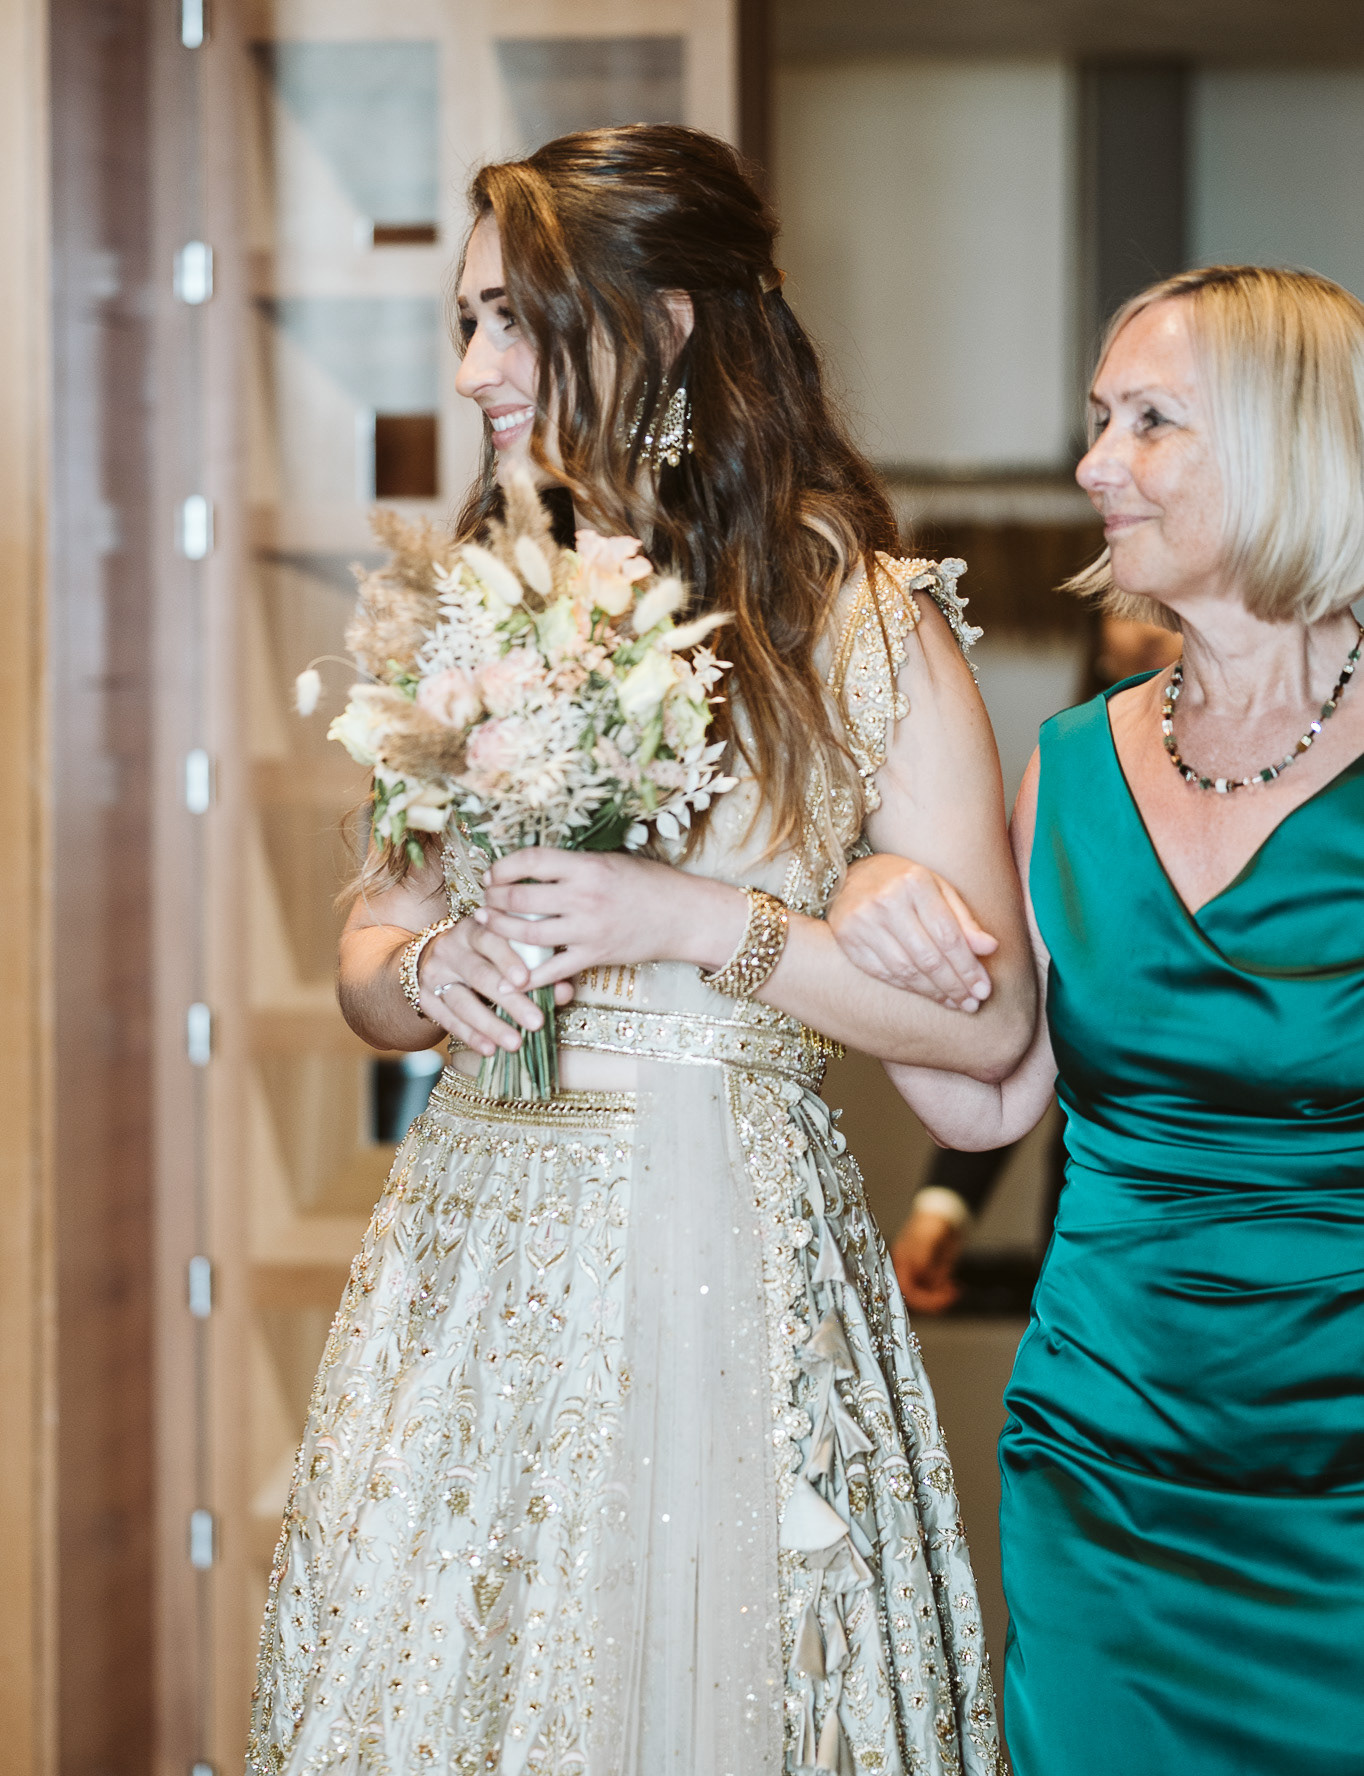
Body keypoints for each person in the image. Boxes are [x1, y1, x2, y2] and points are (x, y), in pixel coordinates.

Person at [245, 125, 1035, 1775]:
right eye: (466, 322)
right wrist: (424, 973)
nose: (473, 369)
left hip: (719, 1248)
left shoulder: (858, 627)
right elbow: (370, 942)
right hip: (477, 1259)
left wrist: (707, 925)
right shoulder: (476, 604)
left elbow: (989, 1040)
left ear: (664, 325)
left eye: (513, 322)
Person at [829, 263, 1364, 1774]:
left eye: (1148, 422)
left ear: (1289, 443)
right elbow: (993, 1096)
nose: (1090, 464)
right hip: (1105, 1465)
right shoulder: (1068, 760)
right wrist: (872, 908)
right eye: (1095, 418)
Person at [892, 613, 1180, 1314]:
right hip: (1105, 1217)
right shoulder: (1077, 769)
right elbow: (1028, 1005)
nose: (1144, 622)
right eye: (1124, 607)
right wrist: (945, 1203)